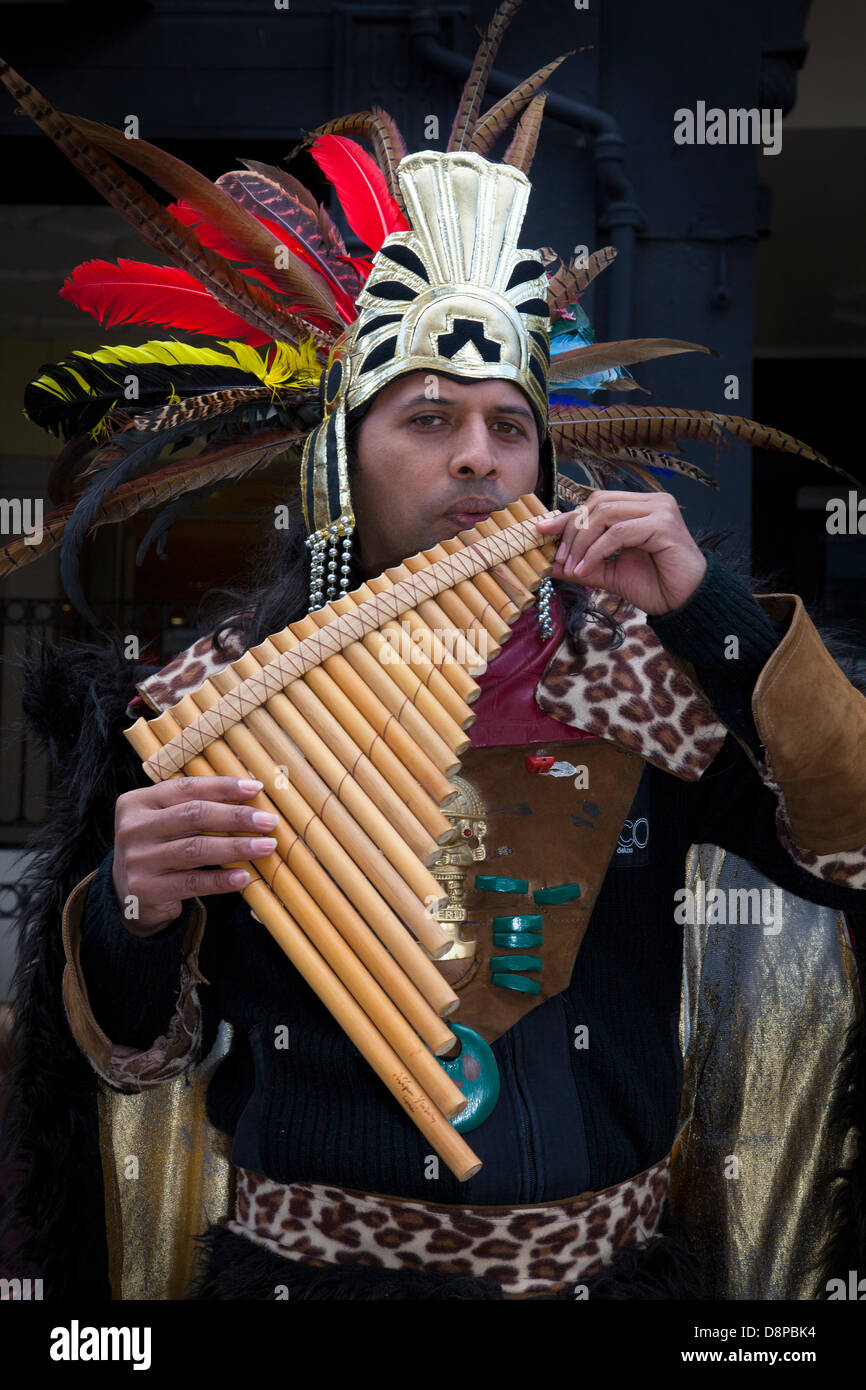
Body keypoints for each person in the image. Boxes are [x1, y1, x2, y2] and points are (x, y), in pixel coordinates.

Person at [1, 3, 864, 1300]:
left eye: (508, 426)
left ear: (542, 462)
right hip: (298, 1278)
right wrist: (131, 916)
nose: (477, 455)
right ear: (342, 463)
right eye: (426, 417)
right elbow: (136, 1054)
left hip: (597, 1278)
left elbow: (851, 854)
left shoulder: (648, 687)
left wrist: (710, 611)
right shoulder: (210, 703)